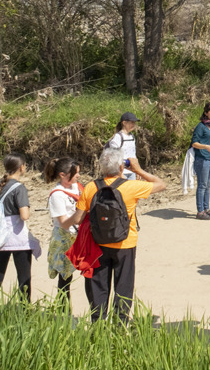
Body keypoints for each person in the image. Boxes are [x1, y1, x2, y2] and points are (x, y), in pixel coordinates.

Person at [67, 146, 166, 321]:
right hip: (125, 243)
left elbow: (77, 219)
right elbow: (161, 184)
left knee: (99, 285)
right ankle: (120, 324)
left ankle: (98, 324)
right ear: (121, 167)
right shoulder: (131, 187)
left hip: (98, 243)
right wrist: (137, 169)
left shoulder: (91, 187)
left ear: (102, 168)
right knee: (123, 285)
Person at [0, 154, 34, 303]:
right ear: (21, 167)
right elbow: (25, 215)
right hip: (17, 238)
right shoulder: (19, 188)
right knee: (24, 278)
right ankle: (25, 312)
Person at [43, 156, 81, 304]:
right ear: (62, 175)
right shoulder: (57, 195)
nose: (78, 175)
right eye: (75, 173)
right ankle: (63, 312)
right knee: (65, 279)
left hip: (79, 235)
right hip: (65, 238)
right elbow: (64, 223)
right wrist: (80, 214)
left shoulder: (77, 187)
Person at [108, 112, 140, 180]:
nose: (133, 125)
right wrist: (120, 172)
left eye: (134, 122)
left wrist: (138, 170)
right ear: (124, 123)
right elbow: (114, 156)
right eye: (131, 122)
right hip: (121, 171)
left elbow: (133, 155)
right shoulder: (118, 137)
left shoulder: (132, 136)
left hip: (132, 171)